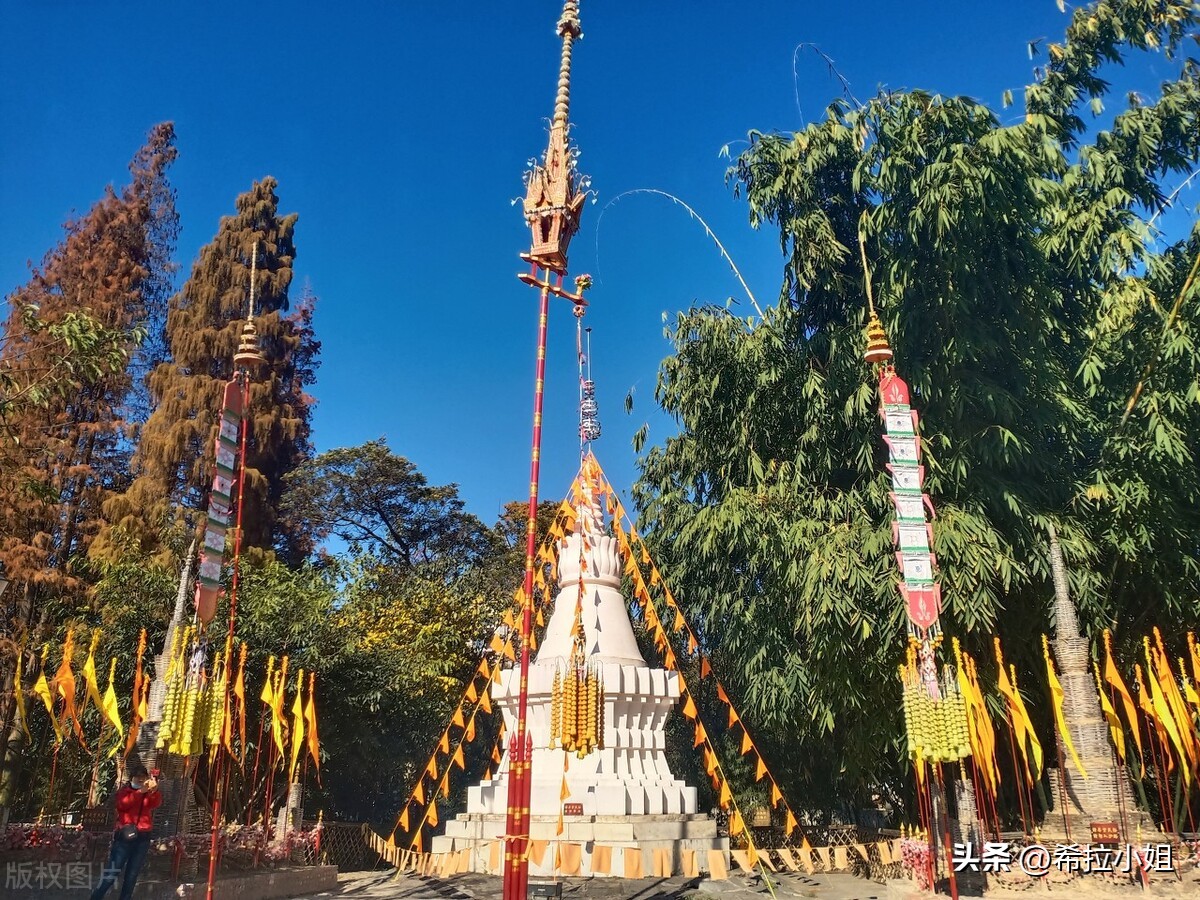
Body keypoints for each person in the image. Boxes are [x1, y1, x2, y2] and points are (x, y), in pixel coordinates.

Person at [90, 763, 162, 900]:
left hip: (143, 837)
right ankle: (96, 897)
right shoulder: (124, 792)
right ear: (131, 779)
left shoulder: (147, 792)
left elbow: (155, 804)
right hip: (125, 837)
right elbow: (123, 805)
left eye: (143, 778)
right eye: (137, 778)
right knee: (112, 872)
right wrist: (139, 792)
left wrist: (155, 791)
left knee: (132, 874)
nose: (141, 781)